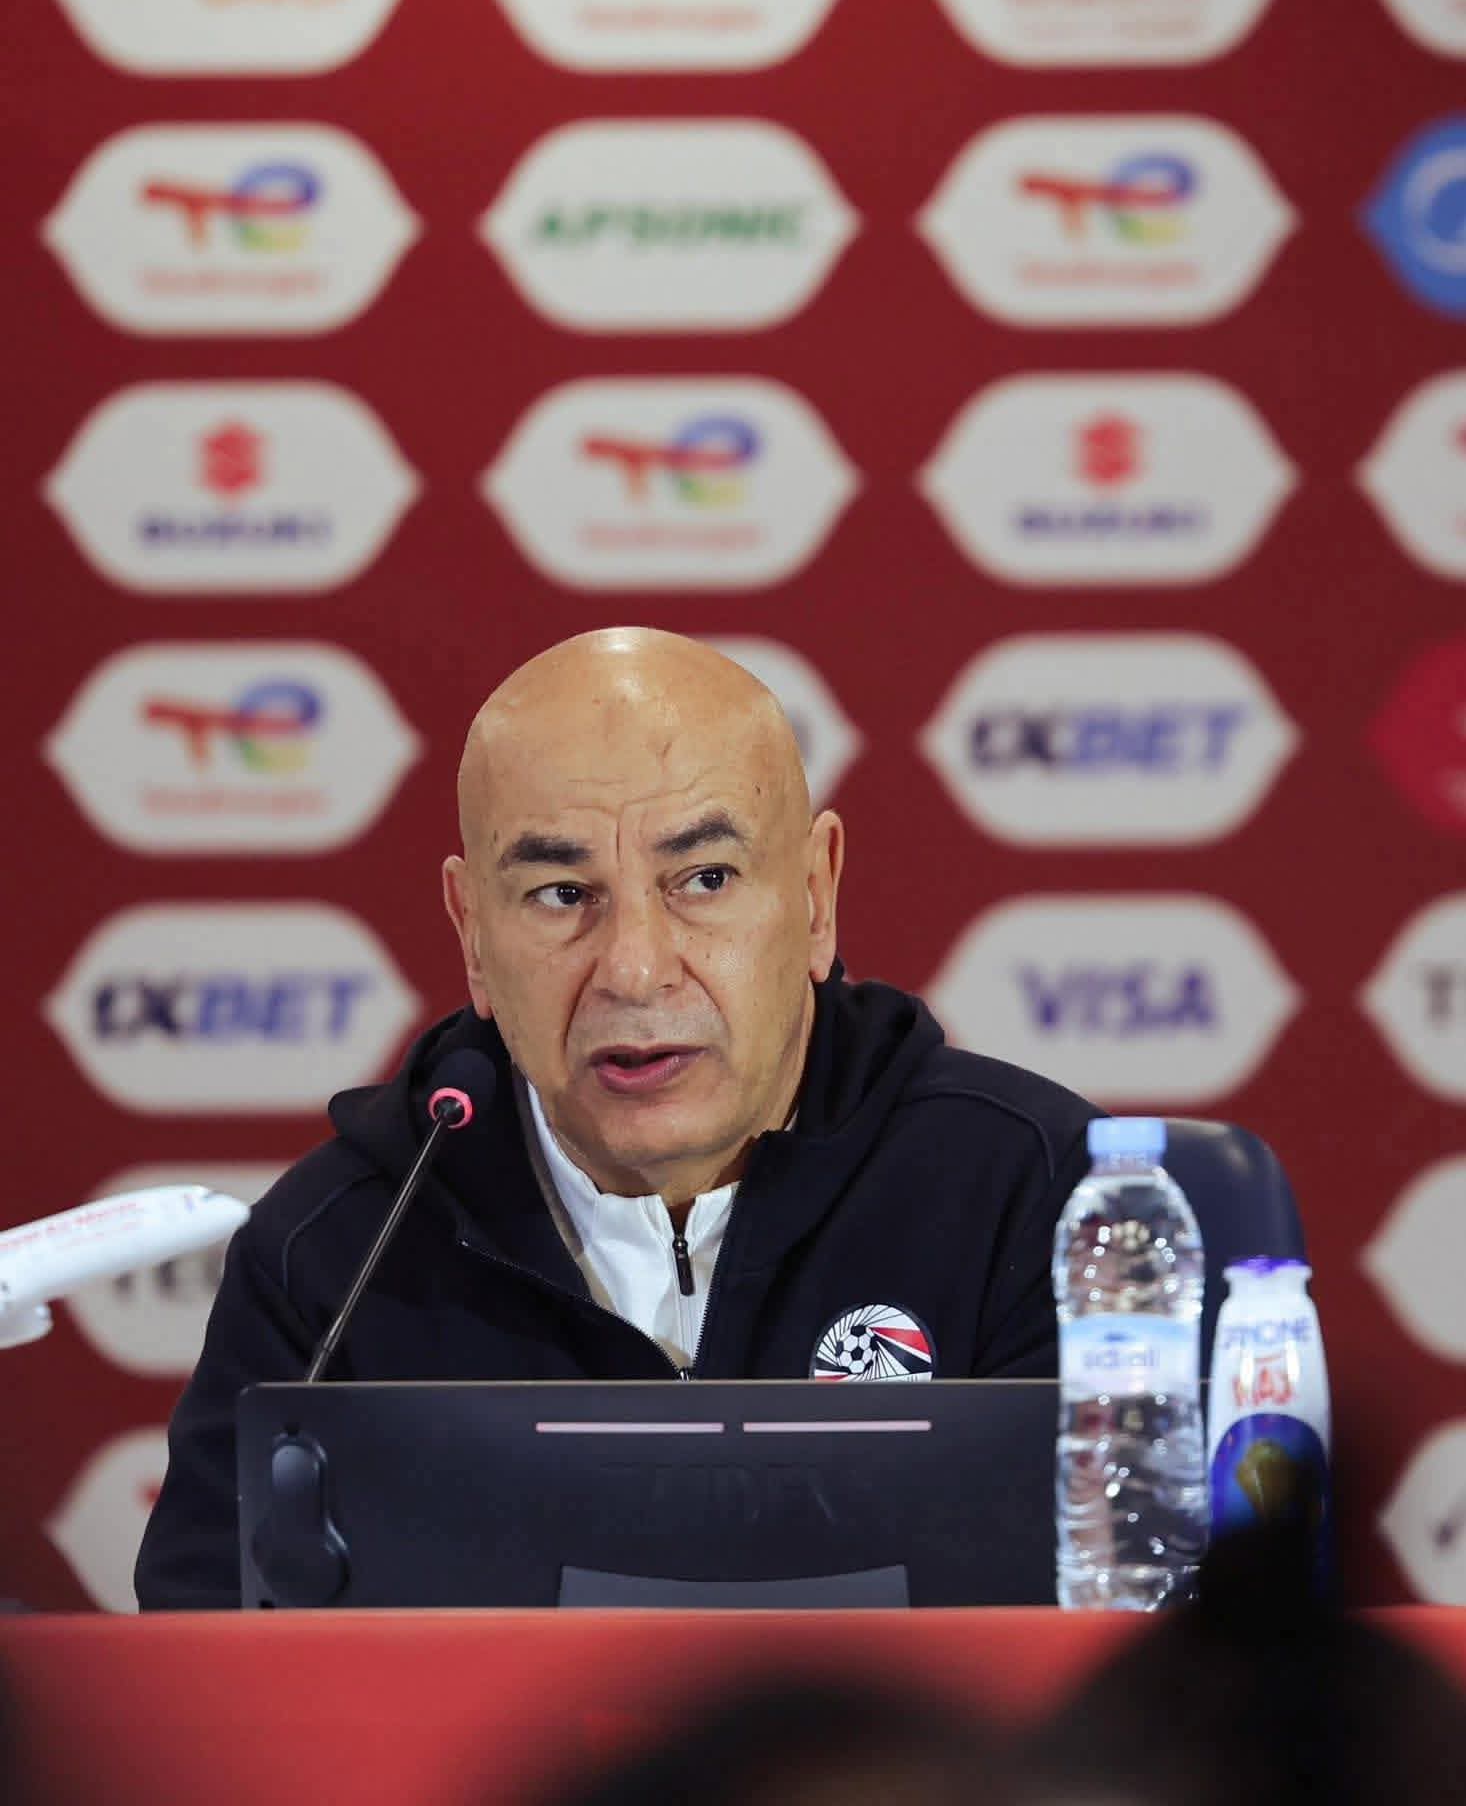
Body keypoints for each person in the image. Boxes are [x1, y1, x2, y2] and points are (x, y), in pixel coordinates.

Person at [135, 627, 1100, 1608]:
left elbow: (1129, 1635)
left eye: (706, 879)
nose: (634, 969)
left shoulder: (1034, 1199)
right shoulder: (336, 1255)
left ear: (815, 896)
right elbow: (205, 1659)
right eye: (561, 894)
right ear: (473, 934)